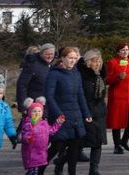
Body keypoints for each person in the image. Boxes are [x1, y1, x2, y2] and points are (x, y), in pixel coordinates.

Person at [45, 47, 92, 175]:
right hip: (60, 116)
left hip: (75, 116)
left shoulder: (76, 74)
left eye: (75, 58)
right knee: (57, 146)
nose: (73, 61)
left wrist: (86, 113)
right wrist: (58, 114)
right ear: (63, 58)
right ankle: (38, 169)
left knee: (74, 149)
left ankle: (71, 172)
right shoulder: (54, 74)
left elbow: (80, 95)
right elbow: (49, 96)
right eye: (70, 58)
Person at [106, 41, 129, 154]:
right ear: (118, 52)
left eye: (127, 50)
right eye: (123, 50)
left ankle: (124, 141)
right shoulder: (112, 62)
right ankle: (117, 146)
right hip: (117, 96)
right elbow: (107, 80)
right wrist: (117, 77)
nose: (125, 52)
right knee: (116, 122)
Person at [78, 50, 107, 175]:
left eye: (99, 61)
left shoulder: (99, 76)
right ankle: (62, 161)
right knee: (79, 142)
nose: (98, 64)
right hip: (86, 113)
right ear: (88, 62)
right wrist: (86, 113)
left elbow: (101, 96)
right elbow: (81, 96)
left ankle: (94, 169)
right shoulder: (81, 75)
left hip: (99, 112)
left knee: (98, 142)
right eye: (95, 61)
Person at [21, 99, 65, 175]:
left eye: (39, 111)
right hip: (31, 152)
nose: (37, 113)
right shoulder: (28, 123)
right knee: (33, 171)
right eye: (34, 111)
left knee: (37, 170)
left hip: (41, 152)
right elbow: (24, 135)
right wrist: (28, 138)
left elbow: (51, 131)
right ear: (29, 113)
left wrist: (58, 123)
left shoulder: (44, 123)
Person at [17, 43, 56, 114]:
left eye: (52, 54)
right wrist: (23, 106)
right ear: (41, 53)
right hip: (34, 106)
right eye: (47, 54)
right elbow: (22, 85)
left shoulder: (52, 66)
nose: (50, 56)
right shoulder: (32, 65)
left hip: (48, 105)